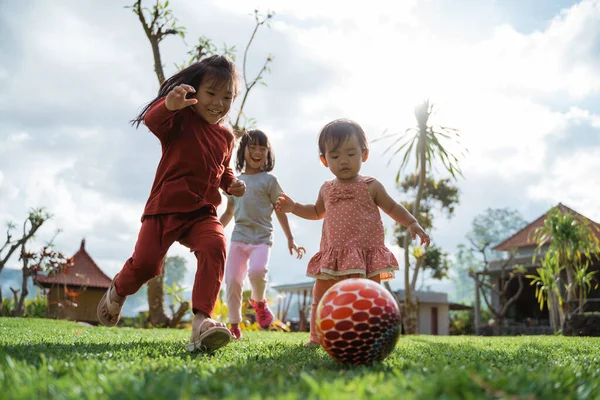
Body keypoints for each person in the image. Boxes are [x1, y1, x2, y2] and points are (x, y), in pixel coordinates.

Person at [97, 55, 246, 353]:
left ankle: (202, 322)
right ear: (195, 92)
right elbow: (153, 120)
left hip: (202, 212)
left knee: (215, 245)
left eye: (227, 97)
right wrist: (169, 105)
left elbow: (222, 168)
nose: (218, 103)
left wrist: (231, 183)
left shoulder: (227, 136)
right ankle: (118, 289)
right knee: (146, 265)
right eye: (211, 94)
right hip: (165, 206)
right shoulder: (180, 119)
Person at [275, 118, 430, 346]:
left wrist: (412, 222)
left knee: (370, 301)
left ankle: (370, 338)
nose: (343, 161)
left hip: (365, 259)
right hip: (332, 257)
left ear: (364, 154)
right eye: (335, 156)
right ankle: (317, 337)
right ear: (324, 160)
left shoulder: (371, 186)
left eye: (351, 154)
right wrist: (293, 207)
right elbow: (316, 211)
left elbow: (393, 207)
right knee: (320, 298)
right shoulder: (326, 189)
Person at [220, 130, 305, 340]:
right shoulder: (235, 181)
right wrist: (214, 230)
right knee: (232, 280)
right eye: (253, 147)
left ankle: (259, 302)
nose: (258, 152)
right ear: (243, 151)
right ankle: (234, 325)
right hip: (239, 238)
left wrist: (290, 239)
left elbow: (280, 208)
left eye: (263, 148)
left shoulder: (269, 180)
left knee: (257, 272)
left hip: (262, 239)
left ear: (268, 153)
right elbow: (229, 212)